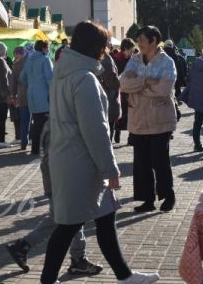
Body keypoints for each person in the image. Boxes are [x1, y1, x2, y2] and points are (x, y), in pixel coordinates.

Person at [42, 21, 160, 284]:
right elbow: (95, 130)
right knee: (69, 225)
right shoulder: (84, 79)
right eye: (105, 45)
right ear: (94, 47)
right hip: (82, 162)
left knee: (104, 217)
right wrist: (110, 170)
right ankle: (47, 280)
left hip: (69, 158)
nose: (107, 50)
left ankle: (124, 275)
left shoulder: (63, 72)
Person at [6, 119, 102, 276]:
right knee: (73, 218)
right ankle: (78, 260)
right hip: (60, 182)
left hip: (58, 181)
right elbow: (55, 158)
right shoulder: (58, 124)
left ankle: (22, 247)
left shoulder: (56, 120)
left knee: (57, 218)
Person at [120, 25, 177, 213]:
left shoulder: (167, 62)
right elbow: (124, 84)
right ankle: (147, 199)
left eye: (143, 40)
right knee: (141, 163)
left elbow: (163, 90)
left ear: (154, 41)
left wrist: (137, 85)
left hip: (160, 120)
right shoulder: (135, 60)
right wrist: (146, 81)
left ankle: (168, 196)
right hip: (138, 120)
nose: (139, 44)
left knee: (160, 161)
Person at [21, 40, 53, 155]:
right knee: (44, 122)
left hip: (31, 94)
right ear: (44, 48)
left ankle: (34, 148)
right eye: (48, 47)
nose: (48, 50)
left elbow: (22, 77)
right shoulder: (45, 60)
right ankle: (42, 148)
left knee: (35, 121)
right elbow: (50, 78)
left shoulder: (29, 59)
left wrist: (31, 84)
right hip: (43, 94)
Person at [113, 38, 136, 144]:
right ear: (124, 49)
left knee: (131, 114)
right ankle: (117, 133)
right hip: (119, 91)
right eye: (130, 50)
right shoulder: (116, 59)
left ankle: (131, 138)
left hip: (130, 90)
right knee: (120, 114)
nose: (132, 53)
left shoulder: (133, 59)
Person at [99, 45, 122, 142]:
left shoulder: (96, 58)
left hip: (103, 98)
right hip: (108, 98)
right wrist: (119, 82)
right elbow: (112, 81)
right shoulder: (106, 60)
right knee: (108, 132)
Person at [10, 46, 31, 150]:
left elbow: (13, 83)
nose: (15, 56)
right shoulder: (32, 62)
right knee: (36, 119)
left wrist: (13, 96)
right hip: (34, 95)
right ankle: (33, 140)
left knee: (24, 120)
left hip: (22, 95)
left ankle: (24, 142)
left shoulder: (16, 65)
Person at [164, 39, 187, 121]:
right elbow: (180, 68)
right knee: (172, 96)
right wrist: (182, 78)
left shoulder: (160, 54)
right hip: (174, 78)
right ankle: (175, 110)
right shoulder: (175, 55)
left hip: (162, 81)